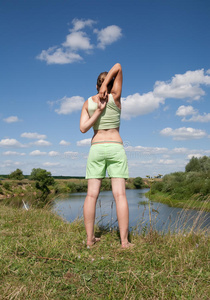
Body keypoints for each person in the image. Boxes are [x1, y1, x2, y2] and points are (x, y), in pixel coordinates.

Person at [80, 63, 133, 248]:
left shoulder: (88, 102)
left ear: (97, 85)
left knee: (91, 196)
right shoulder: (116, 98)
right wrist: (106, 90)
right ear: (111, 85)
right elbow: (118, 66)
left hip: (96, 148)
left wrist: (97, 112)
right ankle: (124, 242)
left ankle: (89, 240)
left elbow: (83, 128)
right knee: (120, 195)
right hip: (115, 147)